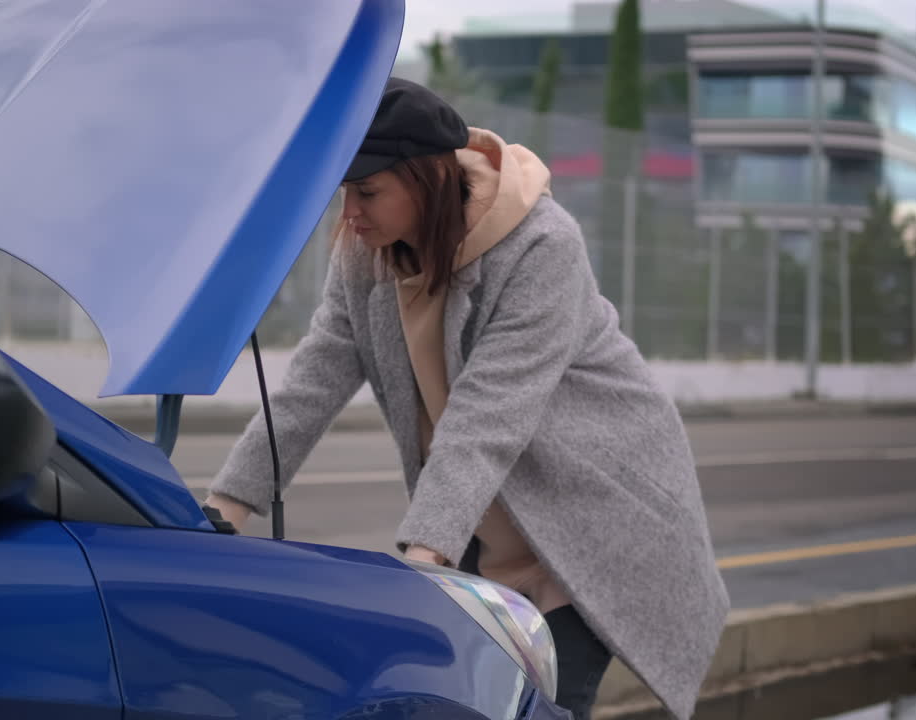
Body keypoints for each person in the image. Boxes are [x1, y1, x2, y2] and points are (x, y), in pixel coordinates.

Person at [207, 77, 728, 720]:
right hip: (488, 525)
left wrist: (423, 562)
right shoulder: (364, 257)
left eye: (367, 192)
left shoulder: (540, 245)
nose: (350, 213)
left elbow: (486, 419)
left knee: (536, 708)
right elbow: (309, 387)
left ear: (425, 180)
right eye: (344, 192)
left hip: (594, 518)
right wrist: (222, 510)